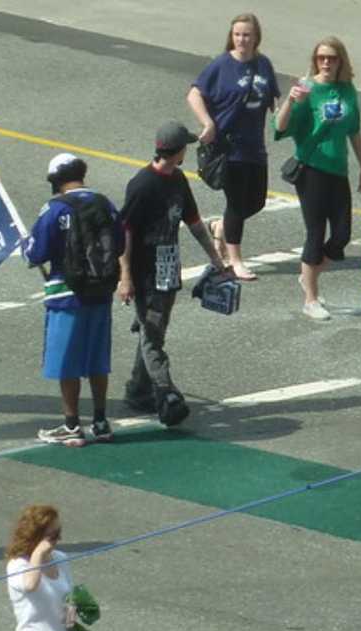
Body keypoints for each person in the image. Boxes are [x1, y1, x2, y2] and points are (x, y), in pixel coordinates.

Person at [118, 121, 229, 426]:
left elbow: (193, 222)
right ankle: (165, 392)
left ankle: (137, 389)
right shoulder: (142, 185)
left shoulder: (178, 179)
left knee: (152, 330)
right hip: (144, 273)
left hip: (168, 271)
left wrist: (215, 258)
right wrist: (125, 277)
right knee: (153, 337)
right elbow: (124, 234)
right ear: (178, 152)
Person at [24, 153, 124, 447]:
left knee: (67, 362)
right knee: (96, 359)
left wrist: (24, 245)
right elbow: (118, 242)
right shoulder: (104, 203)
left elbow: (35, 252)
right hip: (101, 291)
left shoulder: (54, 209)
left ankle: (71, 425)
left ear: (55, 181)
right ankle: (101, 421)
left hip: (67, 294)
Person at [274, 36, 361, 320]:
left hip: (338, 170)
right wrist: (290, 102)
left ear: (341, 61)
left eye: (332, 58)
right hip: (312, 169)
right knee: (315, 232)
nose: (326, 63)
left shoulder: (347, 90)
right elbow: (279, 127)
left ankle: (309, 274)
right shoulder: (307, 88)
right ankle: (310, 299)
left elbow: (354, 130)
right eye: (321, 58)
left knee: (341, 234)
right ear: (315, 61)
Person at [187, 12, 281, 281]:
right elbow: (194, 93)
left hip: (255, 146)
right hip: (229, 147)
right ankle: (235, 260)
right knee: (237, 204)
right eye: (238, 34)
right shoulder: (221, 65)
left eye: (247, 35)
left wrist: (279, 115)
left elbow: (272, 97)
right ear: (232, 36)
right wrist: (208, 123)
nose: (242, 39)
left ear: (256, 37)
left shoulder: (263, 64)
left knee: (257, 201)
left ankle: (220, 226)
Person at [5, 504, 79, 631]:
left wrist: (72, 609)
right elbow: (30, 585)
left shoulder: (61, 559)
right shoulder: (17, 565)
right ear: (35, 537)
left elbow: (69, 594)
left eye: (59, 533)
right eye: (52, 536)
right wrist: (38, 554)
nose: (58, 540)